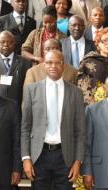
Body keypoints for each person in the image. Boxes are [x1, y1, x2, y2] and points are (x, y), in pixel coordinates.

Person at [21, 50, 86, 190]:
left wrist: (78, 161)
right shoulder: (31, 90)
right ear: (44, 65)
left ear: (64, 66)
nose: (53, 66)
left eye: (58, 63)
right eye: (49, 62)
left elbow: (80, 131)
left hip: (65, 156)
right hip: (39, 155)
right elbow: (25, 127)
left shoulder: (76, 93)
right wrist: (26, 158)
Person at [0, 31, 32, 108]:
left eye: (10, 42)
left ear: (14, 43)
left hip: (17, 107)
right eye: (2, 42)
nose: (6, 45)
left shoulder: (26, 63)